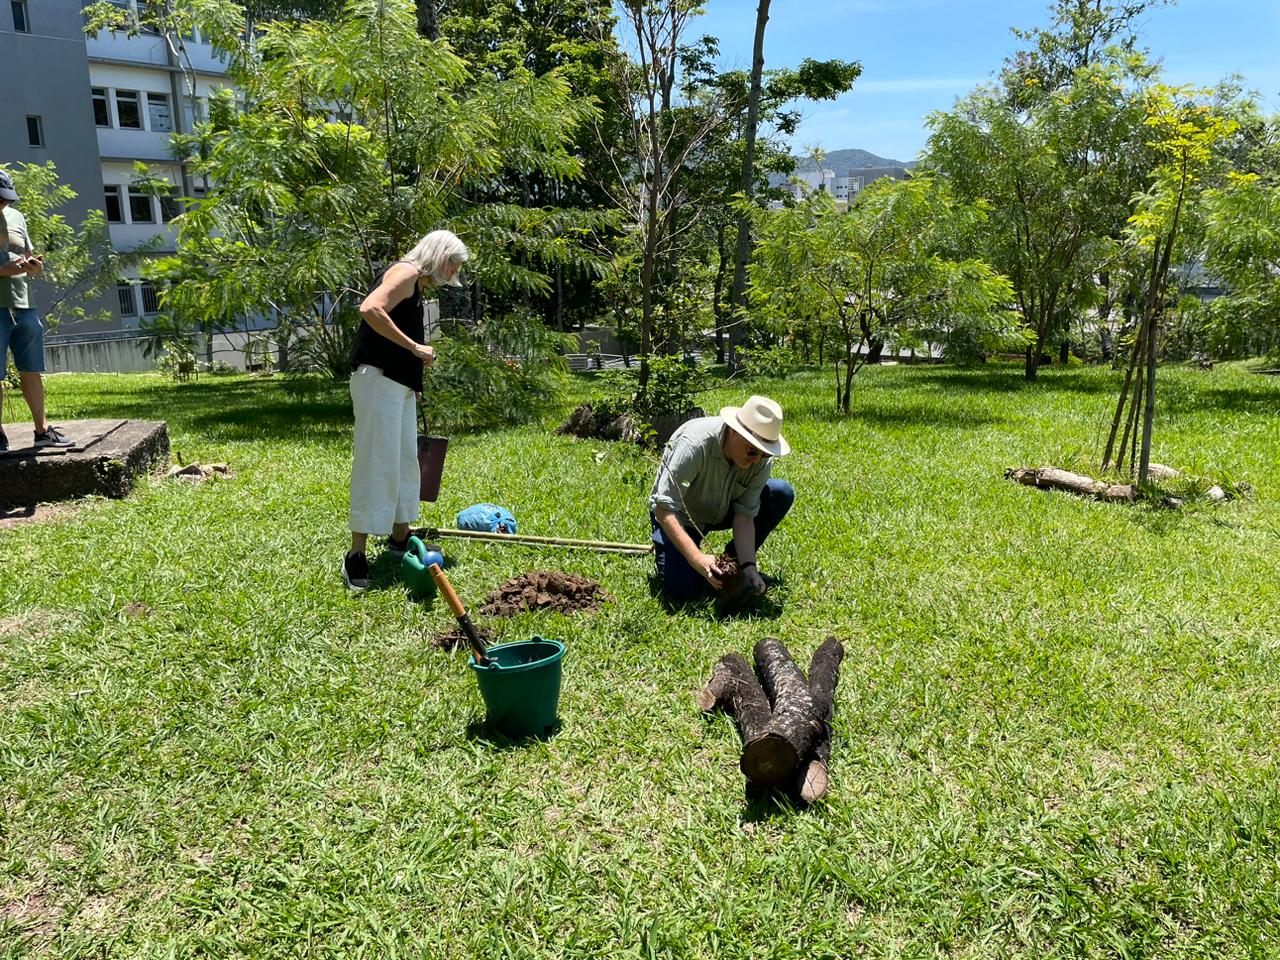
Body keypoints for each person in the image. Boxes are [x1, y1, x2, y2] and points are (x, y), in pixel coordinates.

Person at [342, 229, 469, 591]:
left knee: (403, 462)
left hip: (396, 385)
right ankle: (355, 555)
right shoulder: (406, 271)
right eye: (452, 265)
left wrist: (411, 379)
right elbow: (370, 308)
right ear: (438, 256)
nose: (452, 274)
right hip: (377, 380)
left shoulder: (415, 283)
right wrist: (415, 347)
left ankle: (399, 538)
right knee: (375, 463)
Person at [649, 394, 794, 601]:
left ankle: (732, 562)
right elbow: (663, 509)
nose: (757, 461)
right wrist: (697, 559)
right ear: (734, 430)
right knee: (683, 590)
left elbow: (745, 516)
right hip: (681, 516)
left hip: (723, 508)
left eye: (765, 454)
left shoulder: (760, 460)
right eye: (752, 451)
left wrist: (749, 566)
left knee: (780, 493)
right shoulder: (694, 445)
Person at [0, 171, 72, 453]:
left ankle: (42, 431)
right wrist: (2, 271)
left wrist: (35, 266)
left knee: (31, 368)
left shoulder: (17, 217)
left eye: (7, 198)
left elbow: (26, 254)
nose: (4, 203)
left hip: (23, 305)